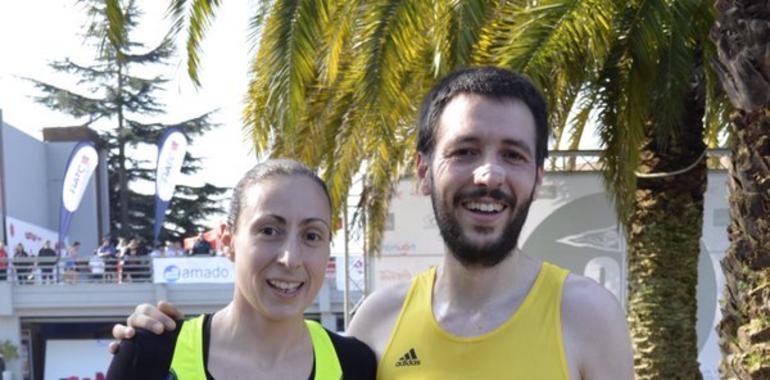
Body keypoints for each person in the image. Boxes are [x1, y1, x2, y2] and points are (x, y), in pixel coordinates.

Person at [112, 68, 634, 378]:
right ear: (425, 172)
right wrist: (145, 342)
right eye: (466, 150)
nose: (488, 174)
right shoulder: (374, 330)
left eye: (513, 155)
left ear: (538, 177)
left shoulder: (589, 318)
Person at [106, 159, 376, 379]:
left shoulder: (356, 365)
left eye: (312, 235)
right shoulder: (152, 355)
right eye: (269, 231)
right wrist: (136, 348)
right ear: (228, 241)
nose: (290, 258)